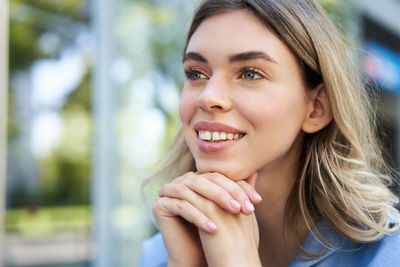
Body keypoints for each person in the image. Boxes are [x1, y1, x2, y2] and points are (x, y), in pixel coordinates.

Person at [139, 0, 400, 266]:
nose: (208, 97)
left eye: (250, 74)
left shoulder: (388, 254)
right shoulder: (163, 252)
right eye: (196, 73)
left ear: (317, 108)